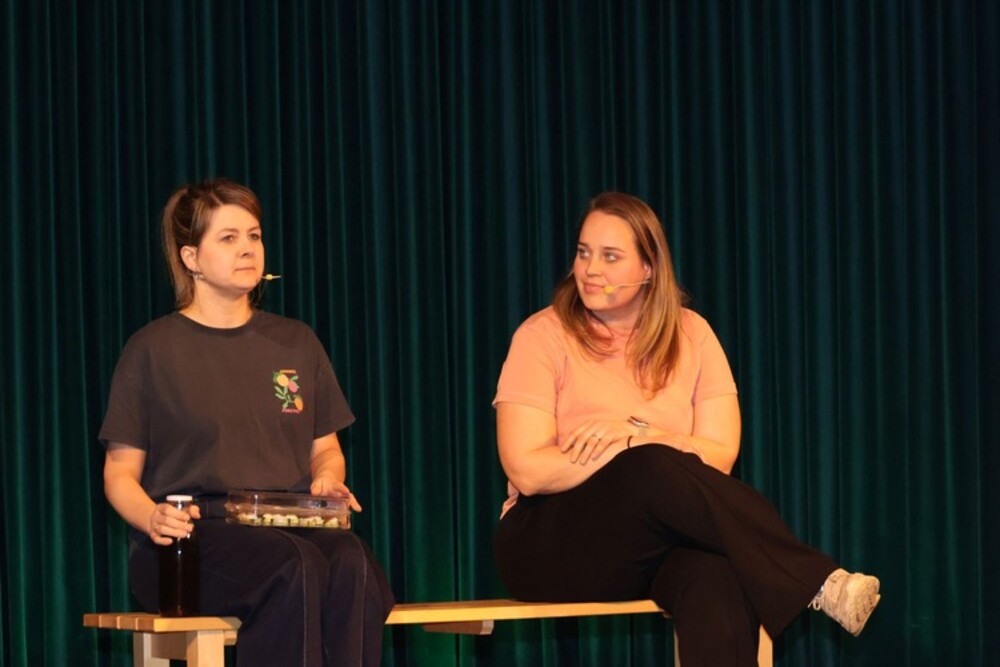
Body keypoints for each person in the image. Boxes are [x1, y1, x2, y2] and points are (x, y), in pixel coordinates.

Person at [492, 192, 880, 666]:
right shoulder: (541, 335)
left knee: (718, 573)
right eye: (583, 252)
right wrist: (626, 450)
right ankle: (816, 580)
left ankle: (810, 580)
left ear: (648, 268)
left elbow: (719, 456)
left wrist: (641, 436)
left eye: (610, 256)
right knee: (648, 464)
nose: (590, 270)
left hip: (648, 548)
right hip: (547, 544)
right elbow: (527, 470)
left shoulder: (692, 333)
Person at [100, 178, 394, 667]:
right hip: (193, 538)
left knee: (354, 561)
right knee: (293, 565)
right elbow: (118, 475)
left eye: (254, 236)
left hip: (287, 521)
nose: (247, 249)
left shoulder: (296, 341)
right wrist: (151, 517)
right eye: (228, 238)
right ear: (191, 258)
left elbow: (326, 450)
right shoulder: (152, 349)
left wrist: (327, 480)